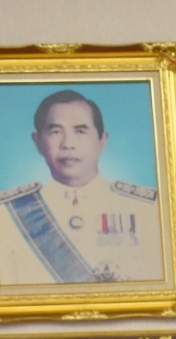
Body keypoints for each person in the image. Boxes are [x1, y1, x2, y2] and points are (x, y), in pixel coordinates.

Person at [0, 89, 162, 286]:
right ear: (38, 142)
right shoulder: (7, 214)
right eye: (55, 131)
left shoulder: (148, 209)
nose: (68, 144)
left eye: (80, 131)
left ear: (102, 141)